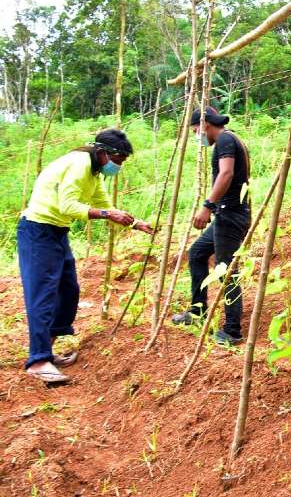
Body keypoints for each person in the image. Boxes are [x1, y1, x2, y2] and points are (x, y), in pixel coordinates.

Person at [18, 128, 154, 383]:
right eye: (118, 161)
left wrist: (135, 223)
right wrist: (107, 215)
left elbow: (105, 206)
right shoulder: (80, 163)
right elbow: (66, 205)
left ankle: (47, 349)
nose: (118, 166)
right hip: (38, 230)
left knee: (68, 291)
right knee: (42, 295)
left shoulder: (94, 172)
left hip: (57, 231)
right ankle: (38, 361)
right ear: (103, 152)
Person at [172, 107, 251, 347]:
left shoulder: (225, 139)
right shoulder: (230, 139)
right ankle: (197, 312)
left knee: (226, 270)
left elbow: (226, 174)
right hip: (226, 214)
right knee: (197, 253)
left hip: (230, 215)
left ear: (205, 124)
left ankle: (232, 330)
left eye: (196, 130)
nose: (197, 135)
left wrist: (207, 206)